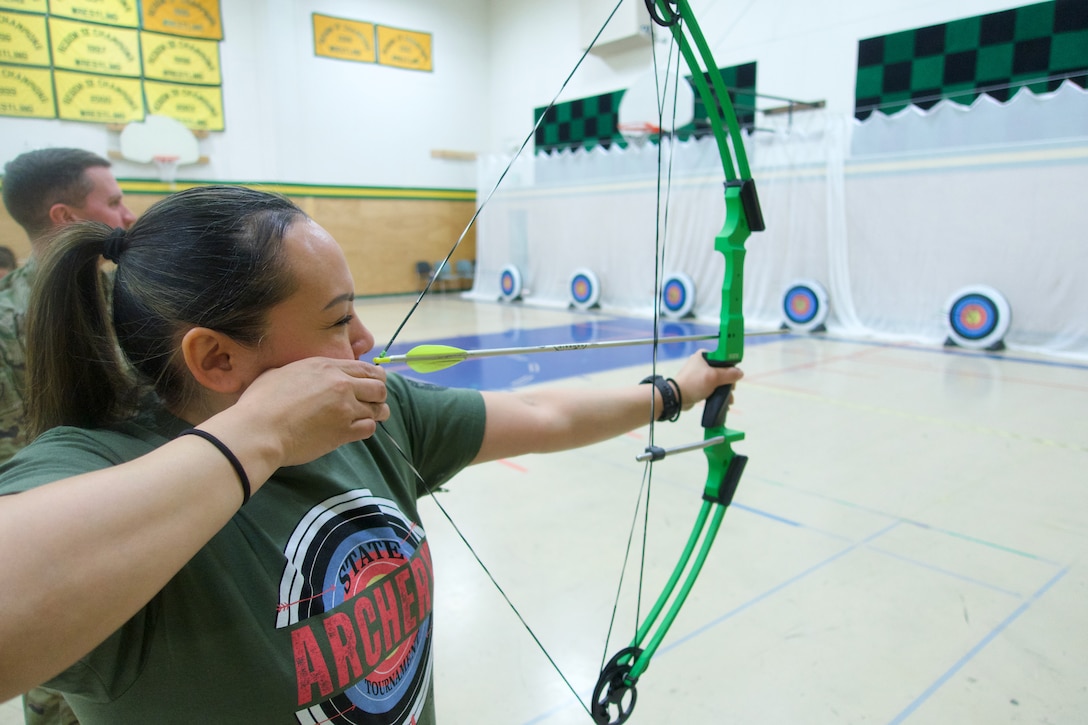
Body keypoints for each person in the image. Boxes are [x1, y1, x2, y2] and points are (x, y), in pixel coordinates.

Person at [0, 185, 742, 724]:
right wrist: (260, 432)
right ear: (216, 359)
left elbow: (544, 412)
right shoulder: (92, 466)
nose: (364, 343)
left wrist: (678, 389)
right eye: (336, 319)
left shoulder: (367, 414)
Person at [0, 148, 136, 725]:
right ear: (63, 217)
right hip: (70, 534)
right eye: (113, 201)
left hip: (131, 518)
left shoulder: (122, 296)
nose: (127, 215)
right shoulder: (22, 317)